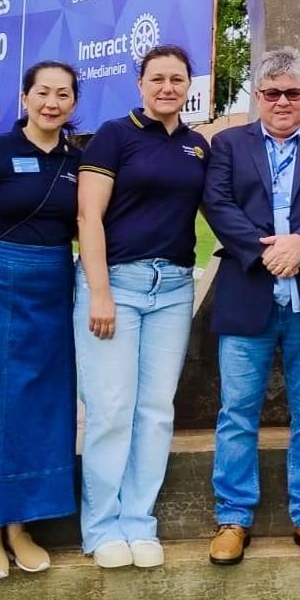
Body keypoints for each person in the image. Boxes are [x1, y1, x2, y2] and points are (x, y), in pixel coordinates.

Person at [203, 47, 300, 566]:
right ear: (258, 97)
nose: (283, 101)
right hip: (250, 291)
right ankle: (232, 518)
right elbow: (218, 203)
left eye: (293, 92)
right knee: (237, 413)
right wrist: (267, 249)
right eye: (272, 93)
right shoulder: (227, 144)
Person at [74, 44, 210, 569]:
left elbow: (215, 207)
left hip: (172, 288)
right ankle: (102, 526)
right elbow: (89, 218)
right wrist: (100, 290)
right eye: (158, 78)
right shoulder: (114, 136)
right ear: (140, 83)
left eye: (178, 79)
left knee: (155, 412)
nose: (167, 87)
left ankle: (139, 521)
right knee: (110, 410)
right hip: (116, 287)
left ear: (188, 86)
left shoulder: (197, 147)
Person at [0, 60, 83, 579]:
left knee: (45, 403)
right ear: (25, 97)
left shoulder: (77, 160)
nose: (52, 102)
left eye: (63, 94)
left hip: (54, 287)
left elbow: (87, 224)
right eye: (43, 92)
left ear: (73, 102)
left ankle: (21, 526)